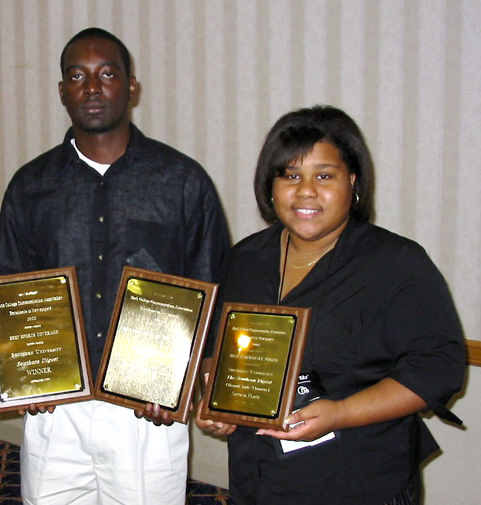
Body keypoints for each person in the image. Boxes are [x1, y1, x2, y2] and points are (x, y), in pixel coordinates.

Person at [0, 27, 230, 504]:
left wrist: (194, 383)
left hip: (148, 408)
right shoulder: (30, 185)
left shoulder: (182, 181)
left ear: (131, 85)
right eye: (77, 76)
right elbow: (12, 287)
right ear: (62, 91)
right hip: (55, 409)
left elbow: (212, 284)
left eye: (107, 74)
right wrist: (23, 376)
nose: (92, 88)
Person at [196, 105, 466, 505]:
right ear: (270, 186)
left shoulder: (396, 264)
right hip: (258, 480)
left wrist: (340, 412)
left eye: (324, 175)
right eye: (290, 175)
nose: (306, 191)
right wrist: (213, 401)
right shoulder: (247, 258)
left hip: (357, 480)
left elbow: (436, 368)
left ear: (352, 182)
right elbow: (219, 349)